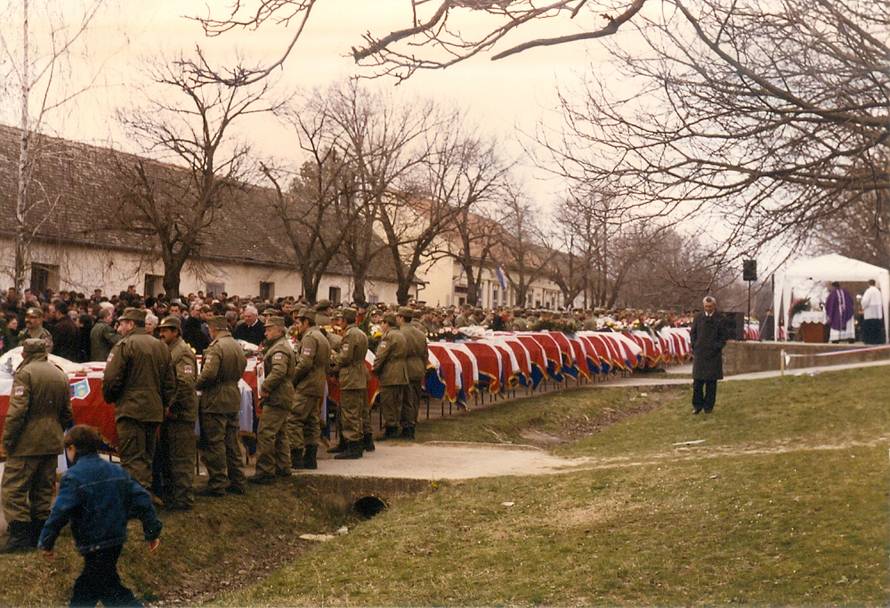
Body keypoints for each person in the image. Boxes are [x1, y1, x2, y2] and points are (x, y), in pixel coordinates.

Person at [38, 425, 162, 608]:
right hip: (116, 538)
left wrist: (46, 541)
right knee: (104, 587)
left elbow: (59, 512)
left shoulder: (72, 477)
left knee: (94, 591)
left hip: (93, 541)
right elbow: (142, 498)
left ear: (72, 448)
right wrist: (152, 531)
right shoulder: (117, 471)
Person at [0, 339, 73, 553]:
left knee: (14, 489)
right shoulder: (60, 374)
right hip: (51, 441)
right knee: (42, 489)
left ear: (26, 353)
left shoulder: (25, 374)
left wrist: (8, 440)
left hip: (27, 443)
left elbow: (17, 412)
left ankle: (20, 536)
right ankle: (41, 534)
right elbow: (67, 412)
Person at [102, 308, 176, 495]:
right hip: (153, 410)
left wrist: (111, 397)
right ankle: (145, 498)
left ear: (131, 324)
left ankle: (137, 502)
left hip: (131, 409)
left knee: (132, 458)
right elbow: (170, 383)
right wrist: (163, 404)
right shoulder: (161, 346)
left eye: (121, 324)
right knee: (146, 456)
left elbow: (111, 378)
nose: (118, 329)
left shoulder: (125, 345)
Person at [195, 315, 247, 496]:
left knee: (214, 441)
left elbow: (209, 374)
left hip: (216, 398)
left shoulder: (216, 347)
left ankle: (217, 483)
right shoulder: (236, 346)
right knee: (232, 441)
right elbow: (243, 366)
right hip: (232, 395)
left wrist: (195, 384)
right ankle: (237, 480)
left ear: (213, 329)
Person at [156, 316, 198, 510]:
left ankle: (183, 498)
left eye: (166, 330)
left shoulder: (183, 352)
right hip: (172, 413)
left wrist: (169, 406)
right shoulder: (170, 350)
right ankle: (174, 495)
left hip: (181, 413)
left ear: (176, 332)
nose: (162, 334)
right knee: (170, 455)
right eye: (161, 330)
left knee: (181, 457)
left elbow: (184, 384)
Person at [249, 316, 296, 484]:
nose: (266, 332)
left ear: (278, 329)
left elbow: (278, 372)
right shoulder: (280, 346)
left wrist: (266, 387)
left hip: (277, 395)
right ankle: (283, 467)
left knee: (266, 433)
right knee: (281, 432)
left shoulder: (279, 349)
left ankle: (265, 471)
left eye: (269, 329)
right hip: (283, 394)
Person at [288, 308, 330, 470]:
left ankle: (297, 456)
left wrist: (293, 379)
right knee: (312, 420)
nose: (297, 326)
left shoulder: (310, 338)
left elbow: (305, 363)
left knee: (294, 418)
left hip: (307, 384)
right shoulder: (321, 336)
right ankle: (311, 457)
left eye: (299, 322)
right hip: (317, 383)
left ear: (306, 322)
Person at [331, 308, 371, 459]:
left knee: (350, 412)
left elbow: (345, 357)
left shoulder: (350, 334)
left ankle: (353, 444)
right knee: (354, 410)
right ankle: (350, 442)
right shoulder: (360, 333)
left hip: (351, 376)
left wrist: (333, 363)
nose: (339, 323)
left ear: (344, 320)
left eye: (340, 320)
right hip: (359, 374)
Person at [689, 296, 728, 414]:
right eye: (706, 306)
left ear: (714, 306)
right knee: (697, 383)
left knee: (711, 383)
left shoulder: (721, 318)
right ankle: (697, 406)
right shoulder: (698, 317)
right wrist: (695, 346)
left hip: (713, 355)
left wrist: (716, 347)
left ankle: (708, 407)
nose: (708, 308)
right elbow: (693, 334)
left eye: (710, 307)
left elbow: (723, 337)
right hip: (700, 354)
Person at [373, 313, 409, 440]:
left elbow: (381, 356)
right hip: (401, 372)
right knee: (396, 402)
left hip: (390, 372)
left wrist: (375, 369)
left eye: (382, 323)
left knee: (388, 402)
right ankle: (395, 426)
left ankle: (391, 429)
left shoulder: (388, 337)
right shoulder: (401, 335)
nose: (381, 326)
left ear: (386, 324)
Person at [397, 307, 427, 440]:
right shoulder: (420, 334)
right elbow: (425, 354)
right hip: (418, 367)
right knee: (415, 398)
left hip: (406, 367)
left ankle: (408, 427)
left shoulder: (400, 333)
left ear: (401, 318)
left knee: (406, 399)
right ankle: (413, 422)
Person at [861, 279, 884, 345]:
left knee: (870, 328)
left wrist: (863, 307)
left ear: (868, 284)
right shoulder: (878, 291)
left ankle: (870, 340)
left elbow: (865, 301)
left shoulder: (868, 291)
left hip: (870, 313)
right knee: (877, 328)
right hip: (877, 314)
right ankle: (878, 340)